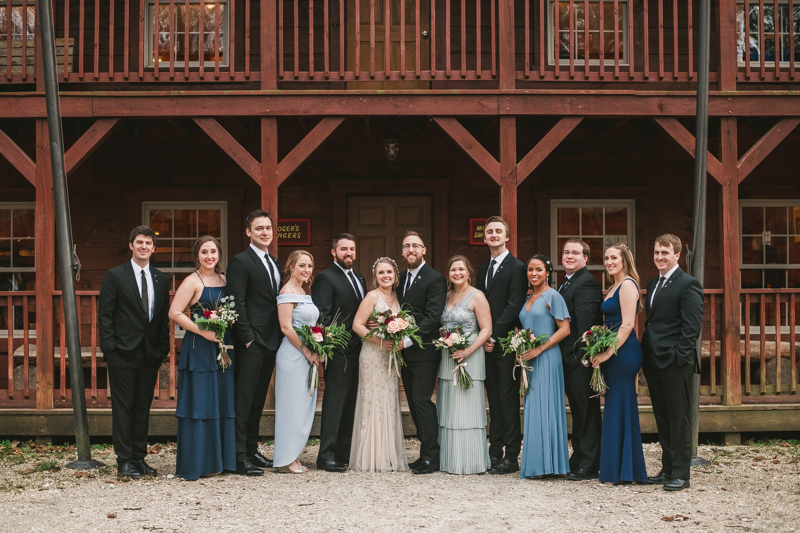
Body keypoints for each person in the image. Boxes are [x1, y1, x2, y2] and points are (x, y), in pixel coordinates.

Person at [98, 225, 170, 479]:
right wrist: (109, 348)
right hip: (122, 353)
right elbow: (105, 315)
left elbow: (162, 318)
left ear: (153, 248)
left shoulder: (161, 278)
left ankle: (139, 458)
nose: (143, 247)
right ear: (131, 245)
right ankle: (124, 460)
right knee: (123, 407)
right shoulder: (115, 275)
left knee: (142, 407)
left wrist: (163, 348)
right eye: (139, 242)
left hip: (150, 354)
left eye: (148, 243)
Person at [168, 236, 235, 480]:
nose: (209, 256)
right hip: (199, 346)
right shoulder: (191, 281)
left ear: (219, 255)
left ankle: (222, 461)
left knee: (221, 401)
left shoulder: (224, 279)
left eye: (213, 252)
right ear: (197, 255)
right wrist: (201, 330)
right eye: (204, 252)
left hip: (223, 345)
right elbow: (174, 312)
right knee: (201, 402)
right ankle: (199, 462)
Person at [641, 234, 704, 491]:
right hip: (654, 360)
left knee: (679, 418)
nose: (659, 257)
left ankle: (681, 473)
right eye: (656, 253)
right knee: (663, 417)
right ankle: (667, 469)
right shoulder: (653, 282)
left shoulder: (688, 284)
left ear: (677, 255)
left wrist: (680, 356)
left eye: (664, 253)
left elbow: (692, 327)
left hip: (676, 362)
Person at [226, 209, 283, 476]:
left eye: (268, 228)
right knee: (244, 399)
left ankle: (251, 448)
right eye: (259, 228)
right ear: (248, 232)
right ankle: (238, 456)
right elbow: (238, 301)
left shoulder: (274, 262)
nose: (265, 232)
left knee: (258, 398)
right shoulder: (241, 261)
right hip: (252, 341)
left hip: (272, 340)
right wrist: (247, 338)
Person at [590, 243, 648, 485]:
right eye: (606, 258)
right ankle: (619, 469)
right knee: (616, 405)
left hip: (624, 352)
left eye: (614, 258)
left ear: (625, 260)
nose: (609, 262)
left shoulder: (627, 285)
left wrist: (606, 353)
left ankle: (624, 470)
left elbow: (626, 324)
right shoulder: (614, 285)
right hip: (615, 349)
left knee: (620, 405)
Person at [476, 216, 528, 474]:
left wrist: (492, 336)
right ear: (484, 238)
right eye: (490, 232)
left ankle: (511, 456)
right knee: (493, 400)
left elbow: (513, 304)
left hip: (504, 343)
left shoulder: (517, 267)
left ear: (507, 236)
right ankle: (493, 453)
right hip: (484, 345)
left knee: (508, 400)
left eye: (499, 231)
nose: (494, 235)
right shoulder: (483, 268)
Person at [311, 234, 367, 473]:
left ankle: (343, 452)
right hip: (338, 349)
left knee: (351, 401)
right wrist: (324, 347)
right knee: (334, 402)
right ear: (334, 252)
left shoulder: (360, 278)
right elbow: (322, 316)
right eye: (344, 249)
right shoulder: (325, 278)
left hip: (360, 349)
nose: (349, 253)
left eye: (352, 249)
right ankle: (326, 455)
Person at [349, 257, 409, 472]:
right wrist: (381, 341)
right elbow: (357, 325)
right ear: (375, 276)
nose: (386, 276)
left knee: (389, 399)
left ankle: (388, 454)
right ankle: (370, 457)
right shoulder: (372, 296)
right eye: (381, 272)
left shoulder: (397, 297)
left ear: (395, 276)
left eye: (389, 272)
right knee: (373, 399)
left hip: (390, 356)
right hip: (373, 355)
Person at [397, 232, 447, 475]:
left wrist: (406, 340)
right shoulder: (401, 277)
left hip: (424, 351)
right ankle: (423, 451)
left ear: (424, 250)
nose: (411, 249)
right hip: (405, 353)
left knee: (422, 401)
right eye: (407, 246)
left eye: (415, 245)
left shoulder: (435, 278)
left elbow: (432, 317)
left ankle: (432, 455)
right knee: (414, 404)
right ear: (403, 251)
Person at [437, 256, 492, 475]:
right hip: (448, 353)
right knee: (449, 406)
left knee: (467, 407)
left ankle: (471, 460)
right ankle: (449, 460)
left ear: (468, 272)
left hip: (470, 354)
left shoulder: (477, 296)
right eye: (453, 269)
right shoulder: (447, 296)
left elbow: (486, 329)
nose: (457, 273)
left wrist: (468, 350)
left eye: (461, 269)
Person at [517, 255, 571, 479]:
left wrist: (540, 349)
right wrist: (521, 347)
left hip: (547, 358)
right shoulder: (529, 296)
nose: (534, 273)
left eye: (539, 269)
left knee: (545, 406)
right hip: (529, 358)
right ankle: (536, 463)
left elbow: (565, 329)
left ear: (548, 272)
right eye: (530, 270)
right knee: (532, 407)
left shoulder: (553, 296)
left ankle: (550, 464)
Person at [558, 239, 603, 481]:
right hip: (568, 358)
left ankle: (590, 463)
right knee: (577, 410)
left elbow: (585, 327)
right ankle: (579, 456)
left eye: (575, 253)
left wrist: (577, 358)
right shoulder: (566, 282)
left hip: (579, 359)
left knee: (587, 411)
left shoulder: (586, 283)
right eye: (566, 252)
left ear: (586, 258)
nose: (570, 256)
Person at [274, 251, 320, 474]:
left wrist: (318, 347)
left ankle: (294, 454)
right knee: (290, 407)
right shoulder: (287, 292)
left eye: (309, 266)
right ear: (291, 267)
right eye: (302, 265)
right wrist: (306, 351)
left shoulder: (303, 291)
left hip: (306, 355)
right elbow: (286, 327)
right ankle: (285, 458)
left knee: (302, 406)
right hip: (293, 356)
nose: (306, 270)